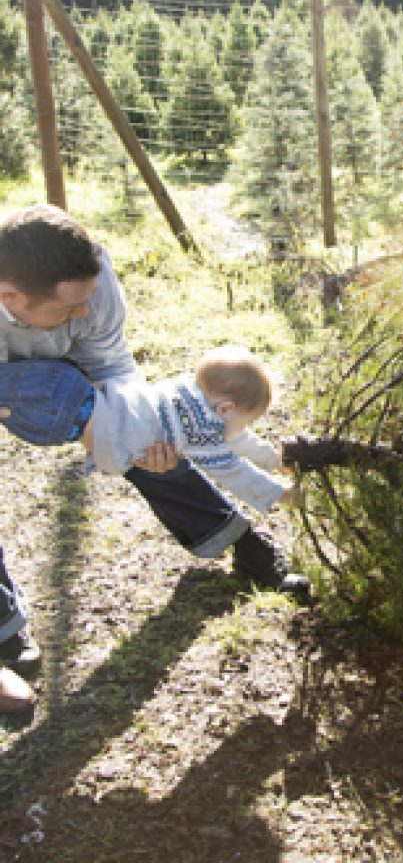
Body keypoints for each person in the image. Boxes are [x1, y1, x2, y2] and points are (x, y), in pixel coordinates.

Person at [0, 205, 308, 712]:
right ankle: (4, 631)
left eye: (86, 301)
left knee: (158, 426)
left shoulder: (90, 282)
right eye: (67, 310)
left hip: (76, 378)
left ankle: (241, 542)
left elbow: (113, 368)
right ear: (12, 298)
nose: (82, 313)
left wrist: (141, 440)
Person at [0, 346, 302, 514]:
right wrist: (282, 495)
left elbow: (236, 439)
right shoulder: (200, 429)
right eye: (247, 420)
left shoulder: (186, 397)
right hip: (62, 417)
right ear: (224, 408)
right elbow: (234, 471)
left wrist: (274, 460)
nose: (243, 429)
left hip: (66, 387)